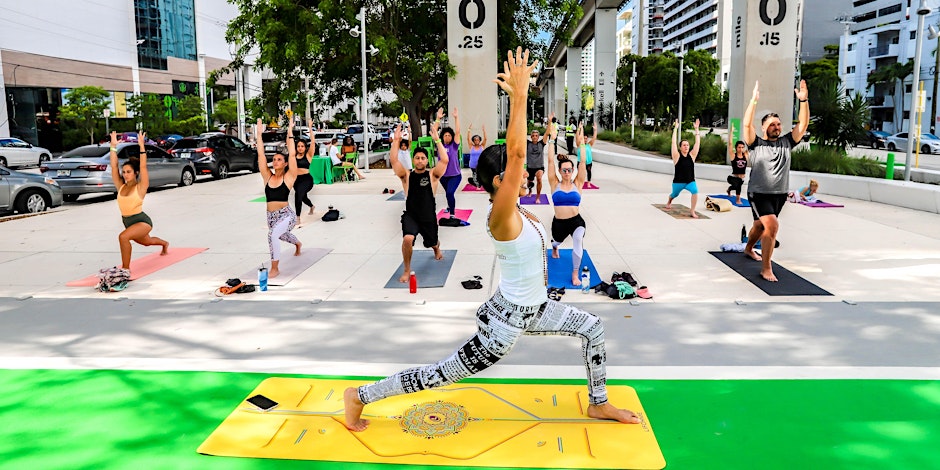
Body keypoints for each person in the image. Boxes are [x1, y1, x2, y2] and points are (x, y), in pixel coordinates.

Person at [343, 47, 641, 432]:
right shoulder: (500, 216)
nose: (518, 167)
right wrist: (518, 98)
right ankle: (361, 396)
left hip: (533, 307)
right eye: (510, 169)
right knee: (441, 374)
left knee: (593, 326)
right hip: (506, 323)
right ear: (499, 182)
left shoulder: (520, 209)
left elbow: (521, 157)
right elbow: (518, 154)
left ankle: (598, 403)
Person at [742, 80, 810, 282]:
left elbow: (803, 124)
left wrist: (804, 100)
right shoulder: (756, 143)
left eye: (779, 124)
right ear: (763, 127)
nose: (776, 127)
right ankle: (766, 267)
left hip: (779, 194)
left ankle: (748, 248)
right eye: (772, 124)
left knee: (760, 226)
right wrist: (754, 101)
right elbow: (746, 124)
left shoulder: (787, 142)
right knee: (771, 226)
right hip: (758, 192)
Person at [389, 120, 449, 283]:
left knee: (432, 241)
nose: (420, 160)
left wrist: (437, 139)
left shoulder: (432, 176)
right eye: (417, 158)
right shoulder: (406, 176)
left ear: (427, 161)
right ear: (413, 160)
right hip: (411, 215)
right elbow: (394, 161)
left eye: (423, 158)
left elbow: (444, 161)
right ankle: (407, 269)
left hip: (428, 217)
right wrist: (396, 141)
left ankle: (436, 247)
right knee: (408, 239)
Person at [109, 131, 169, 273]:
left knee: (123, 237)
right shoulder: (121, 186)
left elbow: (143, 167)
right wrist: (113, 146)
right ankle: (164, 244)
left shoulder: (140, 187)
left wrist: (142, 146)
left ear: (135, 173)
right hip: (127, 221)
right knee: (147, 242)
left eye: (128, 171)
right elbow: (113, 166)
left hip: (142, 222)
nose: (125, 174)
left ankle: (125, 269)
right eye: (124, 172)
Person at [255, 118, 302, 278]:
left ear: (285, 163)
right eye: (274, 159)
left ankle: (275, 268)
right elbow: (260, 154)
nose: (275, 162)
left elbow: (293, 154)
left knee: (273, 235)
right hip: (270, 216)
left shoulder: (289, 178)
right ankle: (297, 243)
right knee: (281, 235)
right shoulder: (267, 177)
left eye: (279, 160)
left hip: (286, 215)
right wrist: (259, 134)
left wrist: (290, 131)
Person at [546, 121, 589, 286]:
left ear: (572, 171)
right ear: (560, 171)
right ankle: (555, 246)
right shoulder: (554, 183)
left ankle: (575, 273)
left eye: (569, 170)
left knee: (578, 239)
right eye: (564, 170)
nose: (567, 173)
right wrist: (552, 139)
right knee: (556, 241)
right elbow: (550, 162)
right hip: (559, 223)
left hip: (576, 221)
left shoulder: (577, 183)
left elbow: (583, 163)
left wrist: (582, 144)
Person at [665, 118, 702, 218]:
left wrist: (697, 130)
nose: (686, 147)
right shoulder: (676, 156)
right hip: (678, 182)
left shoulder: (692, 156)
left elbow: (697, 144)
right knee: (674, 195)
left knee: (695, 191)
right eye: (684, 145)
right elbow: (673, 143)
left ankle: (692, 210)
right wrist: (676, 129)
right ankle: (669, 200)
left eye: (687, 145)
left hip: (690, 181)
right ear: (680, 147)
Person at [438, 107, 462, 216]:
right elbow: (433, 132)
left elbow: (457, 132)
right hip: (443, 176)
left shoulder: (454, 146)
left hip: (455, 175)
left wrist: (456, 118)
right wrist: (438, 119)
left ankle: (452, 214)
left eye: (449, 135)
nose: (447, 137)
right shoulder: (440, 145)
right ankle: (449, 206)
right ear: (442, 137)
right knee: (448, 194)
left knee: (450, 192)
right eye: (445, 135)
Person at [525, 126, 550, 202]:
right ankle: (530, 191)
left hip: (539, 167)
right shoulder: (527, 144)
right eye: (533, 136)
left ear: (538, 137)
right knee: (529, 183)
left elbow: (547, 133)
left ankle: (538, 197)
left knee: (539, 179)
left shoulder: (541, 144)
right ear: (531, 137)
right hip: (530, 168)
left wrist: (549, 121)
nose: (535, 137)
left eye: (536, 136)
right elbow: (521, 135)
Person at [727, 123, 749, 205]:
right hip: (732, 177)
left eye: (742, 147)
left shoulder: (745, 155)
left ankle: (729, 189)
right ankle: (738, 200)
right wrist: (731, 132)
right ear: (736, 148)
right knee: (738, 184)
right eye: (739, 147)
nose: (741, 149)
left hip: (742, 178)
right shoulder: (733, 156)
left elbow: (750, 144)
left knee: (737, 185)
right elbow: (730, 144)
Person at [293, 137, 315, 216]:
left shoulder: (308, 155)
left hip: (306, 179)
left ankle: (297, 217)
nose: (300, 148)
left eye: (302, 146)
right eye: (298, 146)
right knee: (302, 197)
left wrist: (310, 128)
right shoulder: (293, 156)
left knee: (298, 196)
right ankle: (312, 206)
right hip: (296, 180)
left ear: (305, 147)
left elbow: (313, 143)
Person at [466, 123, 487, 187]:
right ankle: (474, 182)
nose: (476, 141)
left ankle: (476, 182)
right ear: (473, 141)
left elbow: (485, 139)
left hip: (480, 165)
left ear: (480, 140)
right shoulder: (471, 146)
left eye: (478, 140)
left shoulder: (482, 146)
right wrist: (469, 130)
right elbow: (468, 139)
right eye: (475, 140)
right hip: (473, 165)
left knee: (480, 176)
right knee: (475, 177)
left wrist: (484, 131)